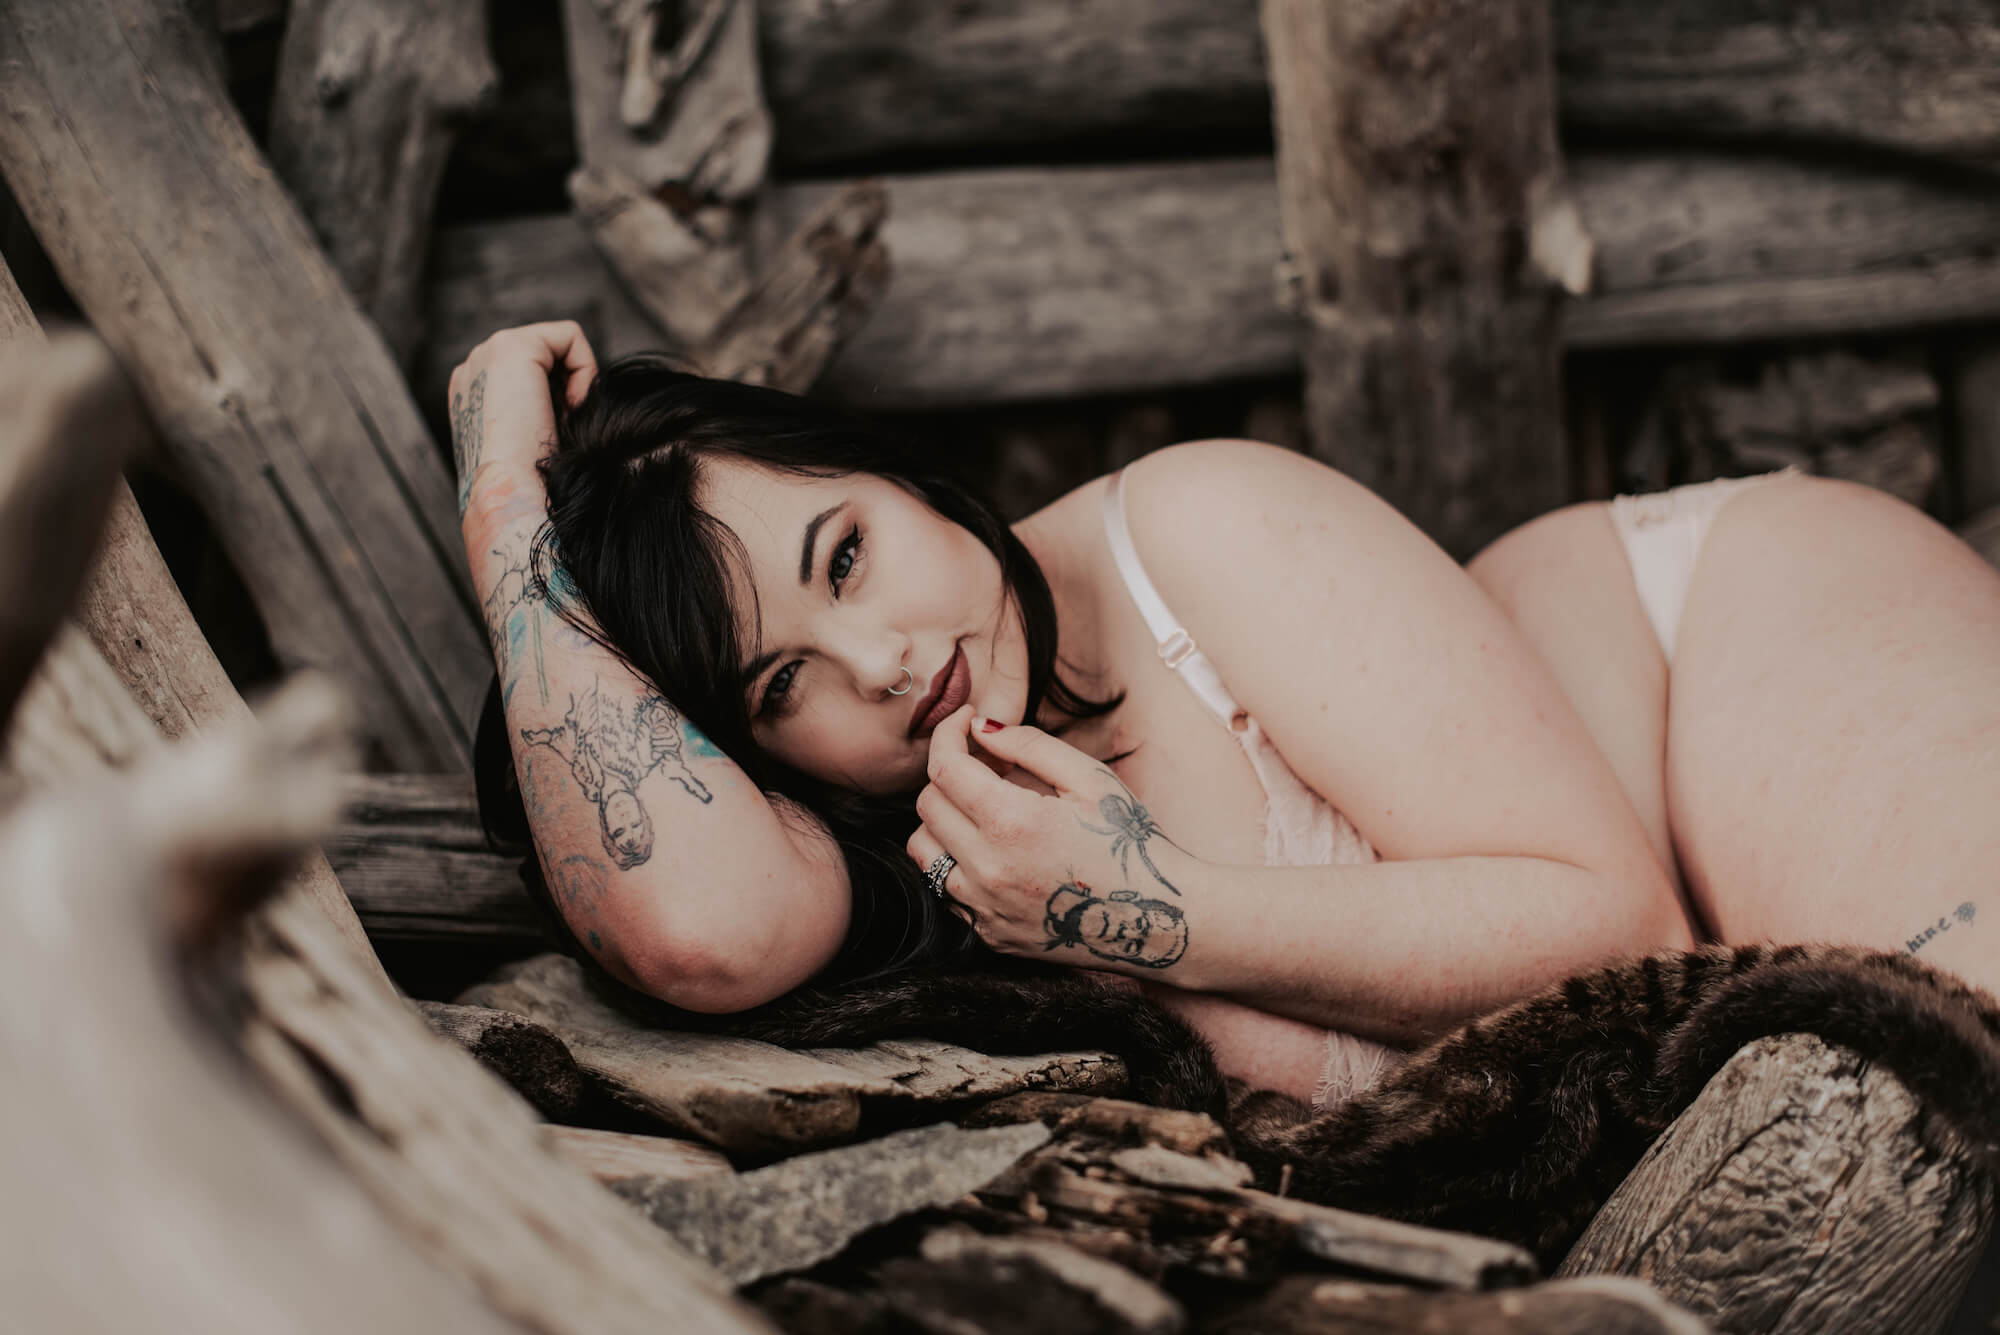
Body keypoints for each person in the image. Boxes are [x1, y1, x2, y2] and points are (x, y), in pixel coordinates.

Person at [454, 321, 2000, 1111]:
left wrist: (1148, 913)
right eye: (780, 684)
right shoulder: (881, 850)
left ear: (891, 466)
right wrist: (505, 512)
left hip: (1719, 655)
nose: (878, 660)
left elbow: (1628, 936)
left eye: (845, 551)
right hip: (1637, 840)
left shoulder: (1192, 529)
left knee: (1956, 1082)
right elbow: (697, 932)